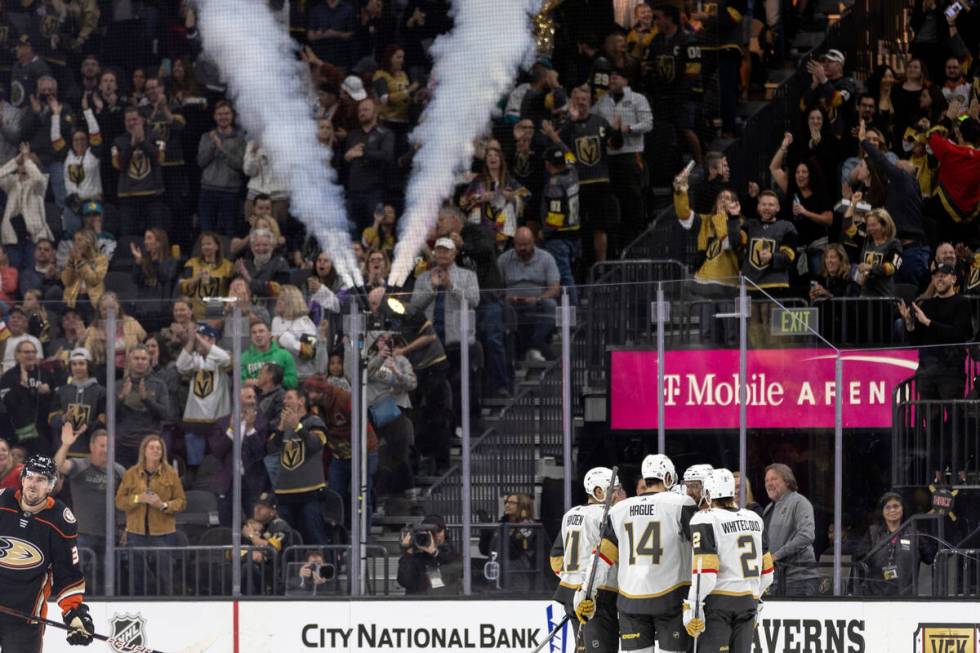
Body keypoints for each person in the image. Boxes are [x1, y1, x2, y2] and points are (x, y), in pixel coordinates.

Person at [575, 454, 694, 653]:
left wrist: (587, 592)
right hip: (671, 599)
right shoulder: (681, 504)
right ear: (667, 478)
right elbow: (701, 549)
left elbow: (602, 556)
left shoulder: (619, 509)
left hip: (631, 602)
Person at [0, 455, 94, 649]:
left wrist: (74, 614)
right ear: (23, 479)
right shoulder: (2, 501)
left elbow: (68, 574)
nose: (33, 484)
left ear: (50, 486)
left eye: (41, 479)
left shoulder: (60, 520)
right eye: (30, 477)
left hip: (26, 617)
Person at [683, 469, 774, 652]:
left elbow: (705, 574)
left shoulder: (705, 519)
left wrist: (692, 606)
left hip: (719, 603)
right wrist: (755, 600)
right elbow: (767, 573)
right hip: (748, 602)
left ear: (708, 494)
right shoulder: (754, 519)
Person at [550, 467, 624, 651]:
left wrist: (572, 578)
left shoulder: (570, 515)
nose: (620, 495)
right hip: (597, 595)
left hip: (569, 592)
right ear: (599, 492)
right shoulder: (608, 516)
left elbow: (555, 558)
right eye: (615, 491)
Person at [53, 424, 126, 592]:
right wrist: (65, 444)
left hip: (110, 536)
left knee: (108, 580)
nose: (106, 450)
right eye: (102, 445)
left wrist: (126, 527)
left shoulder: (119, 470)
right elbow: (57, 466)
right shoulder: (80, 465)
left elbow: (129, 499)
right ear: (92, 447)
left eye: (109, 446)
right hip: (83, 535)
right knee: (78, 578)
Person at [114, 434, 186, 595]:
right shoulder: (131, 473)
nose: (155, 451)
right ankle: (136, 607)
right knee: (136, 576)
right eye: (151, 447)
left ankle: (166, 606)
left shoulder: (171, 474)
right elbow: (119, 501)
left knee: (164, 576)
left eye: (158, 448)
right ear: (144, 451)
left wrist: (163, 505)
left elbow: (182, 501)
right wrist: (138, 498)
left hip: (163, 533)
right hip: (136, 532)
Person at [268, 387, 331, 545]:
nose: (285, 401)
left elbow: (316, 444)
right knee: (286, 541)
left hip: (310, 492)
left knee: (313, 535)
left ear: (301, 401)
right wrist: (281, 428)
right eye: (284, 399)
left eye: (289, 398)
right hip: (284, 493)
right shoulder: (280, 425)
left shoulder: (314, 421)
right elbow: (269, 449)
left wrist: (297, 426)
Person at [497, 227, 561, 363]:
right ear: (514, 244)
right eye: (519, 245)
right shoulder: (503, 259)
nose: (523, 248)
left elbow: (555, 288)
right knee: (498, 308)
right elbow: (496, 288)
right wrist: (505, 297)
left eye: (526, 244)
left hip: (538, 302)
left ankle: (534, 345)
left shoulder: (546, 258)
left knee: (551, 305)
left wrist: (539, 298)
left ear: (533, 242)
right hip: (512, 303)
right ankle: (526, 351)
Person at [855, 491, 935, 596]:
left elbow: (931, 557)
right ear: (882, 511)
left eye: (896, 506)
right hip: (875, 599)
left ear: (902, 509)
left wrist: (929, 523)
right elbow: (859, 561)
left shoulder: (914, 534)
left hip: (905, 599)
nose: (892, 510)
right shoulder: (872, 533)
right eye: (888, 507)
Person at [176, 322, 231, 470]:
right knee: (195, 465)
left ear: (212, 340)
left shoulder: (221, 356)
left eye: (202, 337)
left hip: (217, 420)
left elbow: (225, 359)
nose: (196, 340)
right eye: (196, 337)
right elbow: (180, 366)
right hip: (194, 421)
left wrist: (197, 339)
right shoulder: (195, 358)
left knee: (216, 463)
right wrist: (191, 341)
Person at [762, 463, 819, 596]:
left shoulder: (800, 502)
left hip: (800, 579)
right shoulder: (768, 508)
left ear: (787, 481)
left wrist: (776, 555)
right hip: (775, 580)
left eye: (774, 479)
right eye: (766, 480)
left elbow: (806, 535)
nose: (769, 483)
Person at [111, 106, 168, 236]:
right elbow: (118, 165)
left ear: (142, 120)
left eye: (135, 120)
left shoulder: (156, 136)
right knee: (129, 237)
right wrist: (131, 146)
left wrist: (143, 142)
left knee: (156, 235)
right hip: (128, 198)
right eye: (128, 120)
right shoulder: (118, 141)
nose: (131, 123)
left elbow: (160, 159)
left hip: (153, 195)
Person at [114, 345, 173, 468]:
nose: (140, 362)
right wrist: (121, 397)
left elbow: (166, 415)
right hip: (123, 446)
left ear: (149, 361)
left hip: (149, 445)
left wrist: (146, 400)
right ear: (128, 361)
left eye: (143, 358)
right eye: (136, 358)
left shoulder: (159, 385)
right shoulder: (119, 385)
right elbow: (109, 416)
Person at [0, 143, 54, 270]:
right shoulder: (11, 183)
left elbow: (38, 179)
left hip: (33, 239)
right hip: (12, 238)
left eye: (28, 163)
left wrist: (27, 159)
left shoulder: (40, 184)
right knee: (14, 274)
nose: (24, 166)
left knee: (31, 274)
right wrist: (14, 161)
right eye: (22, 163)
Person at [343, 98, 394, 232]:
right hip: (353, 193)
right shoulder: (353, 135)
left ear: (375, 112)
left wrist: (363, 153)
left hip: (374, 193)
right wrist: (347, 157)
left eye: (366, 109)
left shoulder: (385, 134)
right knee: (352, 232)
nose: (362, 113)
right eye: (360, 110)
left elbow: (387, 156)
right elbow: (346, 159)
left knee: (374, 231)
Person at [197, 101, 246, 235]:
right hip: (208, 190)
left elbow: (240, 165)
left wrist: (221, 148)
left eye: (226, 114)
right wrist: (213, 145)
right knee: (206, 231)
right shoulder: (206, 137)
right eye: (220, 114)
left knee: (230, 231)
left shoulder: (240, 138)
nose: (223, 117)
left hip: (230, 191)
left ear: (232, 116)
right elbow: (201, 162)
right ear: (214, 116)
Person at [0, 337, 56, 455]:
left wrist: (48, 392)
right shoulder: (8, 377)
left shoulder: (46, 374)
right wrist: (21, 386)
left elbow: (55, 402)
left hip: (41, 434)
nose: (30, 355)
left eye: (33, 352)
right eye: (26, 352)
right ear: (17, 355)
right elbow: (6, 404)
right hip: (16, 434)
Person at [539, 145, 580, 304]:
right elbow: (572, 156)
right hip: (574, 234)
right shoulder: (573, 172)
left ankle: (573, 314)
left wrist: (545, 232)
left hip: (558, 237)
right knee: (569, 274)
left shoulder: (554, 184)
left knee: (563, 276)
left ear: (548, 164)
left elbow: (556, 217)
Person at [48, 347, 107, 457]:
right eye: (74, 364)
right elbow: (52, 419)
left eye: (81, 364)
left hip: (90, 448)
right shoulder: (62, 391)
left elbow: (104, 419)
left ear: (88, 365)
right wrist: (63, 418)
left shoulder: (100, 392)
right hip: (65, 449)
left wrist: (88, 426)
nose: (77, 367)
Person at [479, 492, 540, 591]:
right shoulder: (501, 524)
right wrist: (485, 531)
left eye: (511, 502)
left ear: (522, 505)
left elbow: (513, 552)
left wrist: (504, 532)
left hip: (518, 576)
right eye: (506, 502)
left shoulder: (528, 526)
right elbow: (484, 550)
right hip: (496, 575)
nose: (507, 505)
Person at [241, 492, 293, 594]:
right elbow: (238, 551)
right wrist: (248, 554)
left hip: (275, 576)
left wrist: (252, 536)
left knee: (248, 567)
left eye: (262, 507)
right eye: (256, 505)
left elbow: (271, 549)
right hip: (259, 570)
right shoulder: (253, 526)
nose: (257, 509)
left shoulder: (280, 526)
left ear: (273, 512)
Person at [397, 514, 462, 595]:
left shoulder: (450, 552)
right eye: (429, 533)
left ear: (445, 532)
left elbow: (460, 570)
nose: (435, 536)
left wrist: (435, 553)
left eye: (438, 531)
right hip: (419, 602)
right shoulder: (415, 555)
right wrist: (408, 553)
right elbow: (405, 581)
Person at [271, 285, 319, 380]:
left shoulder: (305, 322)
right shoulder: (276, 320)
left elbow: (309, 353)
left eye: (283, 299)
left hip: (302, 376)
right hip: (280, 376)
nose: (279, 302)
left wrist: (286, 339)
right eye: (278, 298)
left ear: (293, 302)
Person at [856, 209, 903, 297]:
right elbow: (847, 227)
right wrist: (853, 203)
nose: (870, 229)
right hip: (865, 295)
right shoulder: (866, 241)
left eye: (873, 225)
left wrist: (870, 267)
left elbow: (892, 268)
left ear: (884, 225)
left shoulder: (894, 244)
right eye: (868, 225)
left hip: (884, 296)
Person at [242, 319, 298, 389]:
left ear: (269, 334)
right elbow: (239, 382)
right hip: (253, 397)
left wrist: (273, 380)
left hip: (279, 397)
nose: (258, 335)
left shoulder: (285, 355)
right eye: (254, 332)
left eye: (261, 331)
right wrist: (249, 383)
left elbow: (293, 382)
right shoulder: (244, 357)